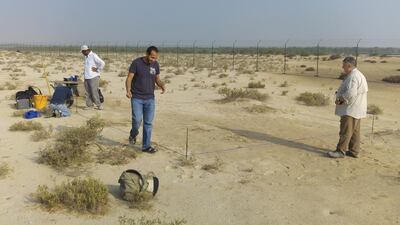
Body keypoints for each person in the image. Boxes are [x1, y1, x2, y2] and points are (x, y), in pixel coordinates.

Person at [125, 46, 165, 153]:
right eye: (152, 57)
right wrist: (128, 90)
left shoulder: (155, 64)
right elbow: (129, 78)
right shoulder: (136, 63)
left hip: (150, 98)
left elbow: (157, 78)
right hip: (137, 97)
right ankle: (133, 134)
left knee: (148, 123)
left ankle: (146, 146)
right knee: (137, 120)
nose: (153, 60)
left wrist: (161, 85)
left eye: (155, 58)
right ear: (147, 54)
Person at [328, 56, 368, 158]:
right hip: (356, 109)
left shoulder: (353, 76)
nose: (342, 67)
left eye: (344, 65)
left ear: (349, 66)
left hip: (350, 109)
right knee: (354, 132)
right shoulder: (357, 75)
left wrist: (340, 99)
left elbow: (351, 92)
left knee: (345, 131)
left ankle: (340, 151)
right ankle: (354, 151)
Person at [81, 45, 105, 110]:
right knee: (87, 92)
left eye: (83, 52)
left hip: (93, 77)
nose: (82, 53)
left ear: (86, 51)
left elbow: (102, 63)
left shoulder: (93, 55)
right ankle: (89, 105)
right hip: (86, 77)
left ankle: (98, 105)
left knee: (94, 91)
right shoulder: (86, 57)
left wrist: (98, 69)